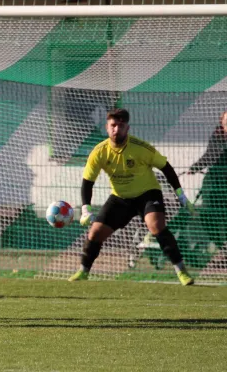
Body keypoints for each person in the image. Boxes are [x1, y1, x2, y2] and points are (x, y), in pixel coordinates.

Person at [71, 108, 196, 286]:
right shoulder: (99, 152)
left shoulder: (141, 148)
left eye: (121, 126)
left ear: (127, 128)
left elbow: (166, 168)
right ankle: (83, 272)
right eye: (113, 125)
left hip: (147, 194)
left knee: (156, 226)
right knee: (95, 232)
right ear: (107, 128)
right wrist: (85, 209)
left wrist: (181, 196)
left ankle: (181, 271)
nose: (116, 129)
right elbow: (88, 182)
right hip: (120, 198)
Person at [187, 111, 227, 252]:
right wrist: (195, 167)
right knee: (207, 215)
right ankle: (221, 246)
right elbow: (210, 156)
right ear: (221, 121)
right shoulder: (217, 136)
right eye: (226, 120)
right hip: (214, 183)